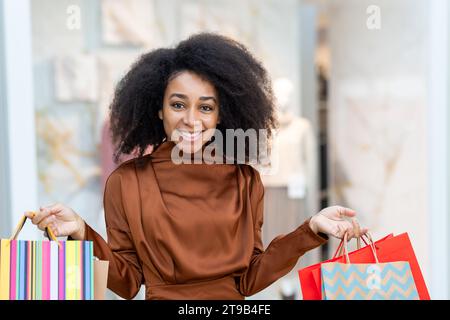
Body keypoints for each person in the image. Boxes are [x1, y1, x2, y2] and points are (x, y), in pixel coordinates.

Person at [25, 33, 367, 300]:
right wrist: (82, 233)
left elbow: (249, 279)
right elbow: (128, 283)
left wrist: (311, 230)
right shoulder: (127, 183)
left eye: (206, 108)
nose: (191, 120)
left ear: (222, 115)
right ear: (158, 109)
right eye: (178, 104)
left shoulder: (245, 181)